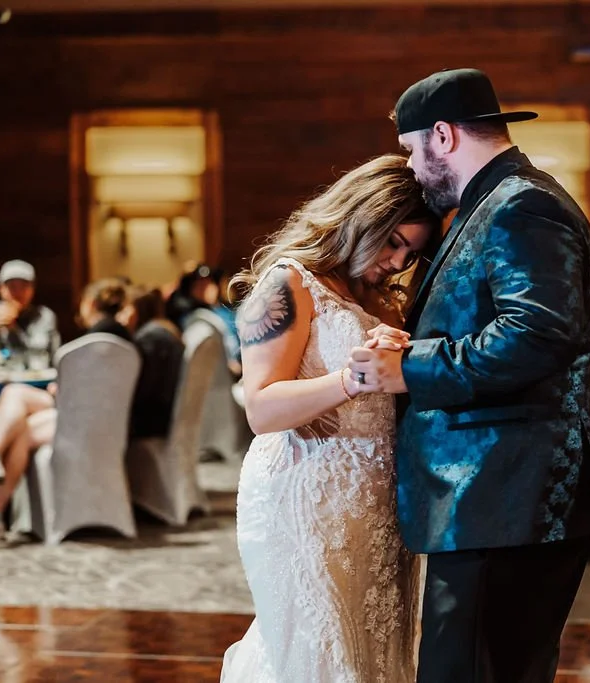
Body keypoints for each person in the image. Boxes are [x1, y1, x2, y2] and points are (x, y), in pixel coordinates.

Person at [347, 68, 590, 683]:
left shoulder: (522, 203)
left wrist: (408, 367)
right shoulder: (496, 203)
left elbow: (539, 333)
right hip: (497, 498)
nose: (411, 169)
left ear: (442, 137)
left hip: (507, 493)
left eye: (411, 151)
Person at [220, 154, 440, 682]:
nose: (397, 261)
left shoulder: (384, 298)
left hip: (378, 505)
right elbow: (262, 407)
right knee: (318, 651)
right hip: (304, 496)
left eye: (410, 252)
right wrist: (351, 378)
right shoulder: (288, 283)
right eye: (392, 242)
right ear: (359, 218)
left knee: (374, 651)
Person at [0, 279, 130, 544]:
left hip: (86, 418)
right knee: (15, 395)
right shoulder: (120, 336)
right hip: (104, 418)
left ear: (90, 304)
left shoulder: (95, 339)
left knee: (19, 420)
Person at [118, 287, 185, 440]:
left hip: (152, 421)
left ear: (136, 310)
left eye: (125, 309)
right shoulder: (166, 329)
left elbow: (142, 388)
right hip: (168, 414)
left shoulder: (150, 338)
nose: (121, 316)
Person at [0, 259, 60, 359]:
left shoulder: (44, 316)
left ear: (32, 289)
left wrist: (13, 328)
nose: (18, 292)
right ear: (1, 289)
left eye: (23, 286)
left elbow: (40, 354)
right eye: (12, 286)